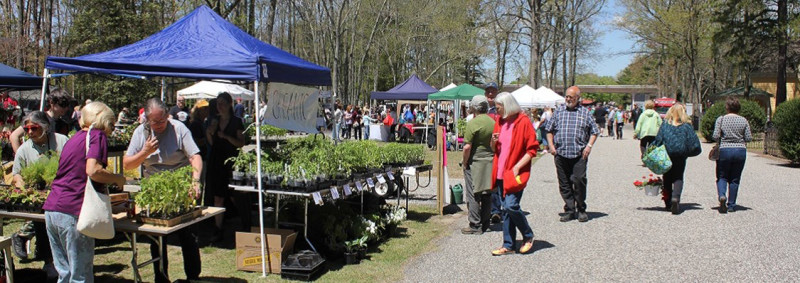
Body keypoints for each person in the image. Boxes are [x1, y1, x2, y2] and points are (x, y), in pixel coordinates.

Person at [123, 98, 203, 283]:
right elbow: (128, 165)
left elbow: (195, 157)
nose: (159, 125)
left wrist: (195, 181)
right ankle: (161, 276)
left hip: (180, 190)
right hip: (155, 191)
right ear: (146, 120)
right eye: (155, 122)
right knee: (156, 238)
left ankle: (193, 277)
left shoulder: (178, 129)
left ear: (168, 116)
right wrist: (144, 152)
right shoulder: (140, 133)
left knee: (188, 235)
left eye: (162, 120)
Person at [44, 102, 125, 283]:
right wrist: (117, 178)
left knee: (64, 273)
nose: (112, 129)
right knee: (80, 275)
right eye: (111, 124)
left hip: (52, 210)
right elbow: (93, 170)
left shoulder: (74, 138)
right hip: (73, 210)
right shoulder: (97, 135)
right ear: (102, 120)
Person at [10, 111, 68, 280]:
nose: (29, 133)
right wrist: (24, 188)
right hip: (39, 198)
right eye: (26, 129)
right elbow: (17, 174)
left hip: (62, 194)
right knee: (42, 229)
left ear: (46, 127)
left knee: (64, 232)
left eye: (33, 128)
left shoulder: (62, 141)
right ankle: (49, 262)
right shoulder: (24, 148)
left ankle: (65, 263)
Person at [489, 92, 538, 256]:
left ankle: (528, 235)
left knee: (511, 205)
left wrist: (517, 167)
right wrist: (493, 141)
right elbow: (493, 148)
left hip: (515, 172)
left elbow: (532, 149)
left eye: (499, 108)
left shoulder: (523, 121)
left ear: (507, 105)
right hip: (501, 172)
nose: (497, 112)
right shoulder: (499, 121)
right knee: (506, 210)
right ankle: (508, 244)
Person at [545, 86, 599, 223]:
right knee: (564, 183)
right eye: (567, 96)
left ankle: (581, 209)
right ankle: (569, 209)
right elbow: (549, 130)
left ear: (577, 98)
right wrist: (551, 146)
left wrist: (589, 146)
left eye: (571, 97)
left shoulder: (585, 113)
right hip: (561, 153)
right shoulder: (558, 111)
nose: (568, 99)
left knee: (579, 180)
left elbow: (594, 131)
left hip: (579, 154)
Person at [205, 92, 247, 238]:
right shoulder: (214, 120)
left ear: (230, 104)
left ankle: (245, 223)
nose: (219, 106)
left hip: (231, 161)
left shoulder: (237, 121)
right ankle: (218, 228)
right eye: (218, 103)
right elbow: (212, 143)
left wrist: (227, 137)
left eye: (222, 103)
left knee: (235, 195)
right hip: (216, 160)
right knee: (218, 196)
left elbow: (241, 143)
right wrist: (210, 133)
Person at [653, 103, 702, 214]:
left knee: (667, 177)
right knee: (678, 176)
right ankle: (676, 198)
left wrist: (653, 150)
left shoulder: (665, 125)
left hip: (667, 154)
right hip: (681, 155)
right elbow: (693, 142)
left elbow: (658, 140)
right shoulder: (686, 126)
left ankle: (668, 201)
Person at [461, 95, 495, 235]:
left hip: (475, 162)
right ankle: (486, 222)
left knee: (473, 193)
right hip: (490, 161)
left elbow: (467, 147)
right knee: (487, 192)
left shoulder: (473, 123)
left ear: (474, 107)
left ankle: (475, 224)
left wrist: (464, 163)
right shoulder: (493, 122)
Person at [713, 97, 752, 213]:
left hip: (725, 150)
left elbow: (715, 136)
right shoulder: (744, 120)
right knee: (735, 179)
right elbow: (749, 138)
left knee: (722, 176)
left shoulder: (721, 119)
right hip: (740, 150)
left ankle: (722, 196)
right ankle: (731, 205)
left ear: (727, 107)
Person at [11, 88, 73, 152]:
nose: (66, 108)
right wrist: (21, 158)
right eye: (62, 104)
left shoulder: (64, 124)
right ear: (51, 102)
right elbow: (14, 136)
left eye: (67, 105)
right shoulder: (38, 118)